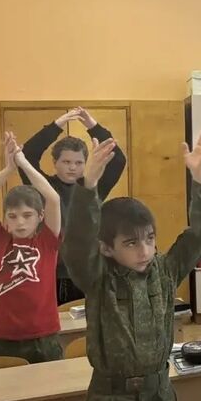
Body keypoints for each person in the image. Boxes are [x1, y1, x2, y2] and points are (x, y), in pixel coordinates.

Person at [61, 131, 201, 401]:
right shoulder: (98, 277)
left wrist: (199, 179)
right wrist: (88, 186)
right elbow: (78, 244)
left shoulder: (165, 270)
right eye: (131, 243)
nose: (144, 250)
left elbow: (200, 236)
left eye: (150, 239)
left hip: (158, 393)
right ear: (107, 248)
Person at [0, 132, 63, 363]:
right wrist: (9, 169)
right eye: (12, 216)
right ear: (5, 220)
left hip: (43, 336)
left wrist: (23, 163)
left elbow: (53, 199)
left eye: (27, 215)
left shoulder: (47, 241)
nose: (20, 222)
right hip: (2, 338)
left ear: (40, 216)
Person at [21, 106, 127, 304]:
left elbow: (118, 160)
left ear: (86, 164)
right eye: (66, 162)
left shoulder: (92, 187)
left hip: (90, 272)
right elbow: (27, 155)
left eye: (78, 163)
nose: (72, 167)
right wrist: (57, 125)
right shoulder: (44, 188)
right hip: (56, 275)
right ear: (55, 162)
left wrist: (92, 126)